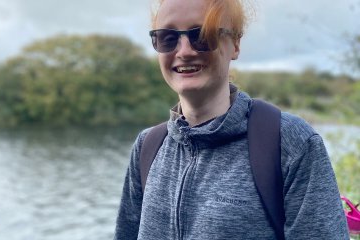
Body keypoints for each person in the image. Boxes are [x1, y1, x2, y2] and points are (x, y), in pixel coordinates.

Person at [114, 0, 350, 239]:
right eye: (167, 38)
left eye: (203, 35)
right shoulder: (147, 146)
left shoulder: (291, 143)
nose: (184, 51)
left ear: (235, 43)